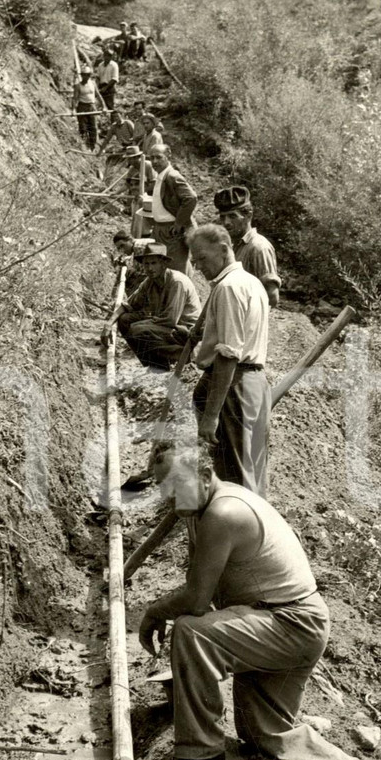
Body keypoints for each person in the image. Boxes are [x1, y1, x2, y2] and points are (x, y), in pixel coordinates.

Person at [138, 441, 381, 760]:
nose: (169, 497)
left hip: (289, 624)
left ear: (205, 476)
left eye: (176, 485)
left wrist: (155, 612)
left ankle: (201, 758)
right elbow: (199, 584)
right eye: (163, 488)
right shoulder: (200, 506)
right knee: (262, 734)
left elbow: (196, 601)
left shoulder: (224, 512)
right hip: (284, 622)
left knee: (190, 630)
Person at [187, 222, 270, 496]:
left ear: (223, 249)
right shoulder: (251, 283)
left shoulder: (229, 288)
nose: (198, 267)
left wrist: (211, 415)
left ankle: (241, 532)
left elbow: (228, 354)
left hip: (233, 386)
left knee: (235, 479)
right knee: (250, 470)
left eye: (202, 258)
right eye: (194, 261)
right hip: (253, 383)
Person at [113, 242, 201, 371]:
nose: (149, 268)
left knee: (138, 329)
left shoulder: (177, 282)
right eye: (146, 264)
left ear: (163, 264)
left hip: (187, 330)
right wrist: (108, 324)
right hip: (167, 327)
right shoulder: (150, 282)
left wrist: (145, 322)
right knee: (125, 320)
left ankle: (182, 356)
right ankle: (154, 365)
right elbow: (128, 305)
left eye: (154, 263)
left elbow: (170, 320)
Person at [215, 186, 283, 309]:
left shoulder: (258, 247)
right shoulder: (234, 246)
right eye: (222, 217)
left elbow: (272, 297)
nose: (226, 222)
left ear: (248, 216)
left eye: (232, 216)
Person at [148, 145, 198, 274]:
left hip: (171, 232)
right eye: (151, 158)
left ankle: (181, 293)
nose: (154, 162)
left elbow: (191, 198)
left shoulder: (172, 176)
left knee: (175, 271)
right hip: (160, 230)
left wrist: (178, 224)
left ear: (168, 155)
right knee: (162, 269)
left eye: (158, 157)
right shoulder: (160, 176)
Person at [73, 67, 102, 151]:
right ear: (81, 75)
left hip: (92, 107)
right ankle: (84, 146)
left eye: (88, 75)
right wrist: (73, 110)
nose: (86, 77)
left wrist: (103, 106)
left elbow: (98, 94)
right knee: (83, 127)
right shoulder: (78, 86)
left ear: (90, 75)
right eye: (84, 75)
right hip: (82, 107)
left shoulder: (93, 83)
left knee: (93, 127)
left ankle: (92, 147)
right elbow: (75, 98)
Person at [97, 48, 120, 113]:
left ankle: (113, 121)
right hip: (101, 86)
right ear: (103, 56)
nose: (107, 57)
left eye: (109, 56)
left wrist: (106, 87)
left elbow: (115, 79)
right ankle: (102, 121)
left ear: (111, 57)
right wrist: (97, 86)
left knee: (110, 107)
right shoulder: (100, 65)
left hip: (109, 87)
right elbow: (98, 77)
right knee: (100, 106)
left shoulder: (114, 65)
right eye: (106, 55)